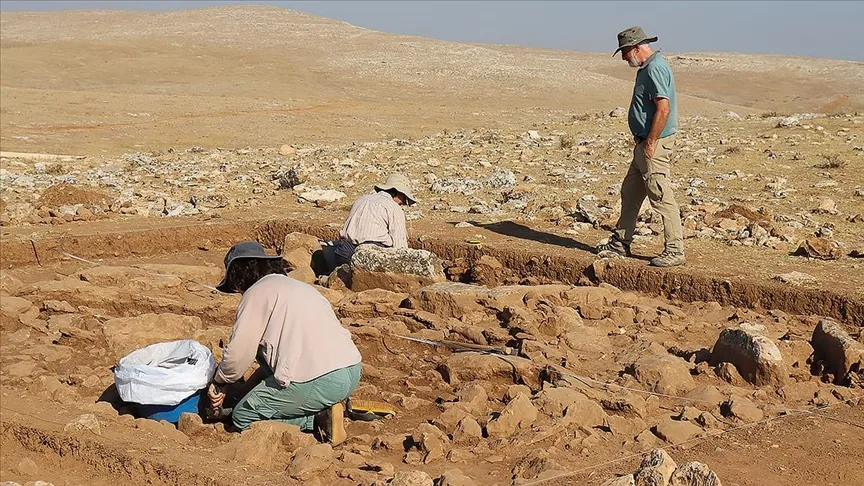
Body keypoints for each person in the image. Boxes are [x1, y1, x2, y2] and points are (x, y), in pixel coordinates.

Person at [208, 241, 362, 445]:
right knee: (267, 395)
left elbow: (239, 353)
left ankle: (318, 419)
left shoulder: (256, 293)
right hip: (350, 370)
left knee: (242, 417)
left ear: (238, 277)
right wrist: (246, 391)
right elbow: (271, 364)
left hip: (319, 379)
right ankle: (329, 404)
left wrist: (220, 382)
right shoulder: (298, 288)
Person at [597, 26, 685, 267]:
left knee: (660, 195)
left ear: (636, 48)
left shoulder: (655, 68)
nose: (625, 57)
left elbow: (663, 108)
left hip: (652, 145)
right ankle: (620, 242)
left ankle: (675, 250)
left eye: (625, 52)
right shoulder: (648, 68)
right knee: (631, 191)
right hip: (644, 144)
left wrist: (651, 142)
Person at [323, 173, 417, 271]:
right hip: (369, 257)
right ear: (399, 193)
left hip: (343, 253)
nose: (403, 202)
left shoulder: (361, 199)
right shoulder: (394, 208)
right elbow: (400, 246)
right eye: (404, 198)